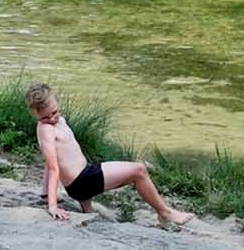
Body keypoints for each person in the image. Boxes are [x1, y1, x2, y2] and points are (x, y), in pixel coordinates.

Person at [24, 83, 193, 226]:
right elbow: (53, 167)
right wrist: (52, 205)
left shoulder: (60, 121)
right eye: (45, 117)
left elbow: (51, 160)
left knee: (130, 175)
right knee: (139, 170)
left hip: (84, 177)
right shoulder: (45, 130)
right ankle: (165, 213)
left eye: (55, 112)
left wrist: (45, 194)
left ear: (57, 102)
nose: (52, 119)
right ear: (35, 114)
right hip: (81, 182)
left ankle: (86, 206)